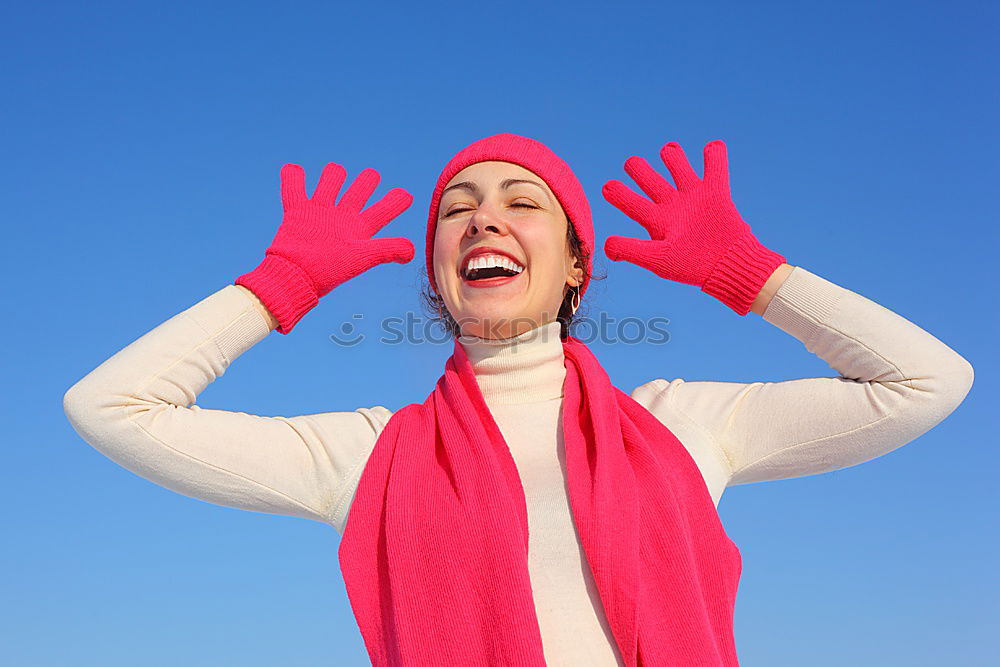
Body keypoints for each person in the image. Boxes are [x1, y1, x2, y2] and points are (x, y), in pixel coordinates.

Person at [63, 134, 974, 666]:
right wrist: (281, 284)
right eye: (455, 207)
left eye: (520, 201)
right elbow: (113, 407)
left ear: (577, 263)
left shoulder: (683, 424)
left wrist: (751, 275)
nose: (483, 218)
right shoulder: (369, 454)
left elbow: (927, 380)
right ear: (437, 270)